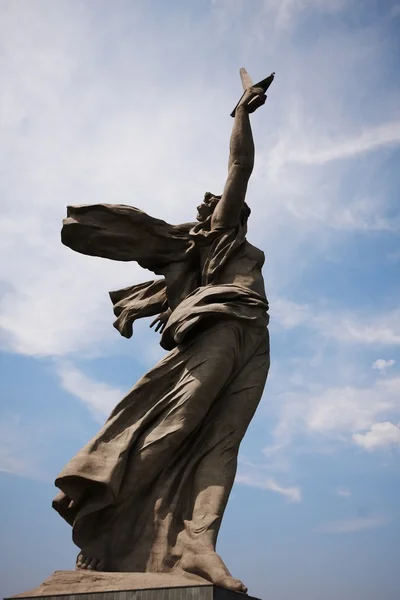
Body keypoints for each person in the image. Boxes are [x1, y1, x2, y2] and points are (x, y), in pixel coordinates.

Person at [53, 85, 270, 594]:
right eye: (219, 204)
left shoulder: (221, 251)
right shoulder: (220, 234)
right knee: (176, 428)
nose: (229, 204)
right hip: (219, 330)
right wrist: (241, 112)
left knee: (223, 444)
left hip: (254, 336)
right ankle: (104, 522)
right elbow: (240, 167)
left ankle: (198, 545)